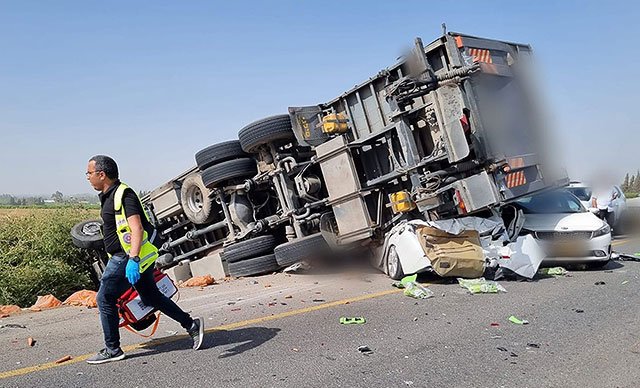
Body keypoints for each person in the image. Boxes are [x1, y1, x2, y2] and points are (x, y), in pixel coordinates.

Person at [85, 155, 204, 364]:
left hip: (127, 258)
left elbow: (136, 227)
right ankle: (191, 325)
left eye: (89, 173)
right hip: (127, 257)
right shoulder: (107, 195)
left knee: (104, 298)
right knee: (151, 297)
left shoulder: (124, 195)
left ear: (101, 174)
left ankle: (112, 349)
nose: (87, 177)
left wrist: (133, 258)